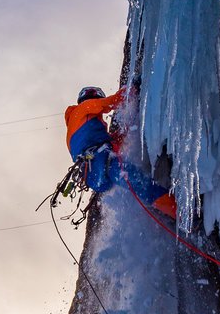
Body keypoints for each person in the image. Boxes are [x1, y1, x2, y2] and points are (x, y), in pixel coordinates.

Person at [64, 86, 176, 219]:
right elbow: (112, 102)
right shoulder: (82, 109)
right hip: (101, 161)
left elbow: (110, 143)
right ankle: (177, 212)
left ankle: (165, 212)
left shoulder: (79, 127)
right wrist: (131, 88)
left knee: (137, 186)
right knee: (140, 183)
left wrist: (124, 133)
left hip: (93, 176)